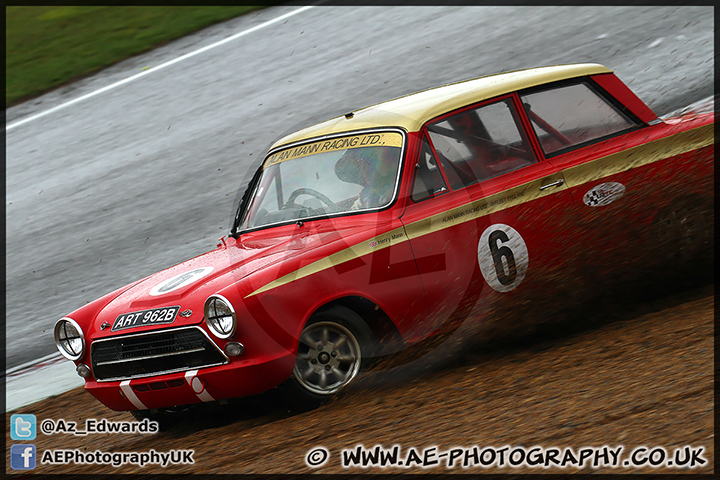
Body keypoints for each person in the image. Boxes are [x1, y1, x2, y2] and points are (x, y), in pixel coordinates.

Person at [334, 146, 399, 209]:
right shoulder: (367, 195)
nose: (365, 169)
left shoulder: (398, 192)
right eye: (360, 164)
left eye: (369, 161)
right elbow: (353, 210)